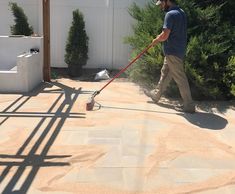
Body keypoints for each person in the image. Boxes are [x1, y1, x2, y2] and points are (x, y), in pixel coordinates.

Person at [144, 0, 195, 113]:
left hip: (173, 51)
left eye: (161, 3)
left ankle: (189, 105)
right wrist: (160, 37)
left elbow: (165, 35)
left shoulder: (170, 14)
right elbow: (173, 32)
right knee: (165, 73)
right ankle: (156, 94)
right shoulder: (181, 12)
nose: (161, 6)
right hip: (178, 50)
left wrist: (155, 40)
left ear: (167, 1)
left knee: (180, 78)